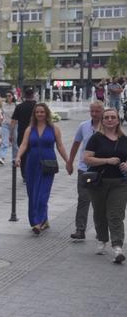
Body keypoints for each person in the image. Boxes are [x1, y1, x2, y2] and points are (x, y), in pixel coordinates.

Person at [15, 103, 69, 235]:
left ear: (47, 113)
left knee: (43, 194)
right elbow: (23, 144)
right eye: (37, 112)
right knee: (32, 193)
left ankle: (38, 222)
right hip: (32, 163)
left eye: (42, 112)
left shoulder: (54, 128)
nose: (40, 114)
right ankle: (41, 220)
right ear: (34, 114)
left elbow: (60, 146)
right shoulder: (30, 129)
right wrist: (18, 156)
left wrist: (68, 161)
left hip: (48, 163)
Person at [83, 108, 127, 264]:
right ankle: (102, 239)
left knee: (116, 215)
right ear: (102, 121)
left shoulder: (124, 139)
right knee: (100, 213)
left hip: (120, 183)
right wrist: (107, 160)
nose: (110, 120)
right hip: (98, 182)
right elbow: (87, 158)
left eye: (113, 117)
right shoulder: (96, 138)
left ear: (118, 120)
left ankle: (117, 248)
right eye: (106, 117)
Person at [66, 101, 104, 240]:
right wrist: (70, 162)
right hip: (85, 169)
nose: (94, 114)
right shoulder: (83, 126)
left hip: (102, 170)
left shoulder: (108, 126)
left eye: (97, 111)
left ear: (102, 111)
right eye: (92, 111)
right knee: (83, 199)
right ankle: (80, 229)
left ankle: (101, 231)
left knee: (100, 202)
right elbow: (76, 144)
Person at [11, 87, 38, 181]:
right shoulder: (38, 107)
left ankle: (24, 175)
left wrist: (11, 134)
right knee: (34, 153)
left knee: (23, 154)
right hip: (36, 133)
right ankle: (33, 173)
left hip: (22, 133)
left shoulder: (19, 107)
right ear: (33, 95)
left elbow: (13, 122)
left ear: (24, 96)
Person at [0, 91, 17, 165]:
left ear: (13, 96)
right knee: (5, 142)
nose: (8, 97)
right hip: (5, 124)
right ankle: (2, 158)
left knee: (15, 142)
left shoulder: (16, 105)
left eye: (9, 96)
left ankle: (15, 158)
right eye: (7, 96)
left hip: (15, 124)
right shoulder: (3, 104)